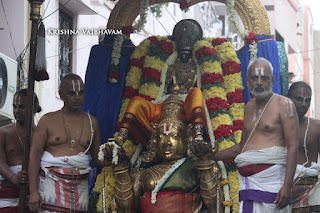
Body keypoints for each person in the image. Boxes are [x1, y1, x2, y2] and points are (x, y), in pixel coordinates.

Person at [104, 92, 220, 213]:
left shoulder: (195, 168)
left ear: (187, 139)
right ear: (154, 141)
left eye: (174, 136)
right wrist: (121, 168)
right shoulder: (142, 173)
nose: (167, 142)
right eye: (161, 137)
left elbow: (214, 207)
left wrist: (205, 165)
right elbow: (126, 210)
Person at [213, 57, 299, 212]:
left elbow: (293, 146)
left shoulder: (285, 104)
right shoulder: (248, 107)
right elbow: (242, 147)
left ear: (272, 81)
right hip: (248, 185)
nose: (259, 82)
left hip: (273, 183)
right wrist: (212, 156)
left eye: (264, 78)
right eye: (254, 77)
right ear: (247, 80)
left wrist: (287, 186)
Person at [28, 74, 106, 212]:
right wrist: (33, 191)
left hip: (79, 191)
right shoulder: (47, 120)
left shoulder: (91, 122)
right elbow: (34, 157)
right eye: (72, 93)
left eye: (81, 92)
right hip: (50, 187)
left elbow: (97, 158)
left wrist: (117, 158)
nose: (77, 97)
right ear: (61, 95)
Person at [0, 89, 41, 212]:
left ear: (34, 108)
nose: (17, 110)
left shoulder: (41, 134)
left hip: (33, 195)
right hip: (7, 196)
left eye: (22, 106)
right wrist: (13, 177)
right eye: (14, 106)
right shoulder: (3, 132)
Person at [287, 81, 320, 213]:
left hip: (311, 194)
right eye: (299, 99)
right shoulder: (276, 126)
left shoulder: (316, 127)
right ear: (288, 97)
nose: (303, 104)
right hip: (282, 193)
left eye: (308, 100)